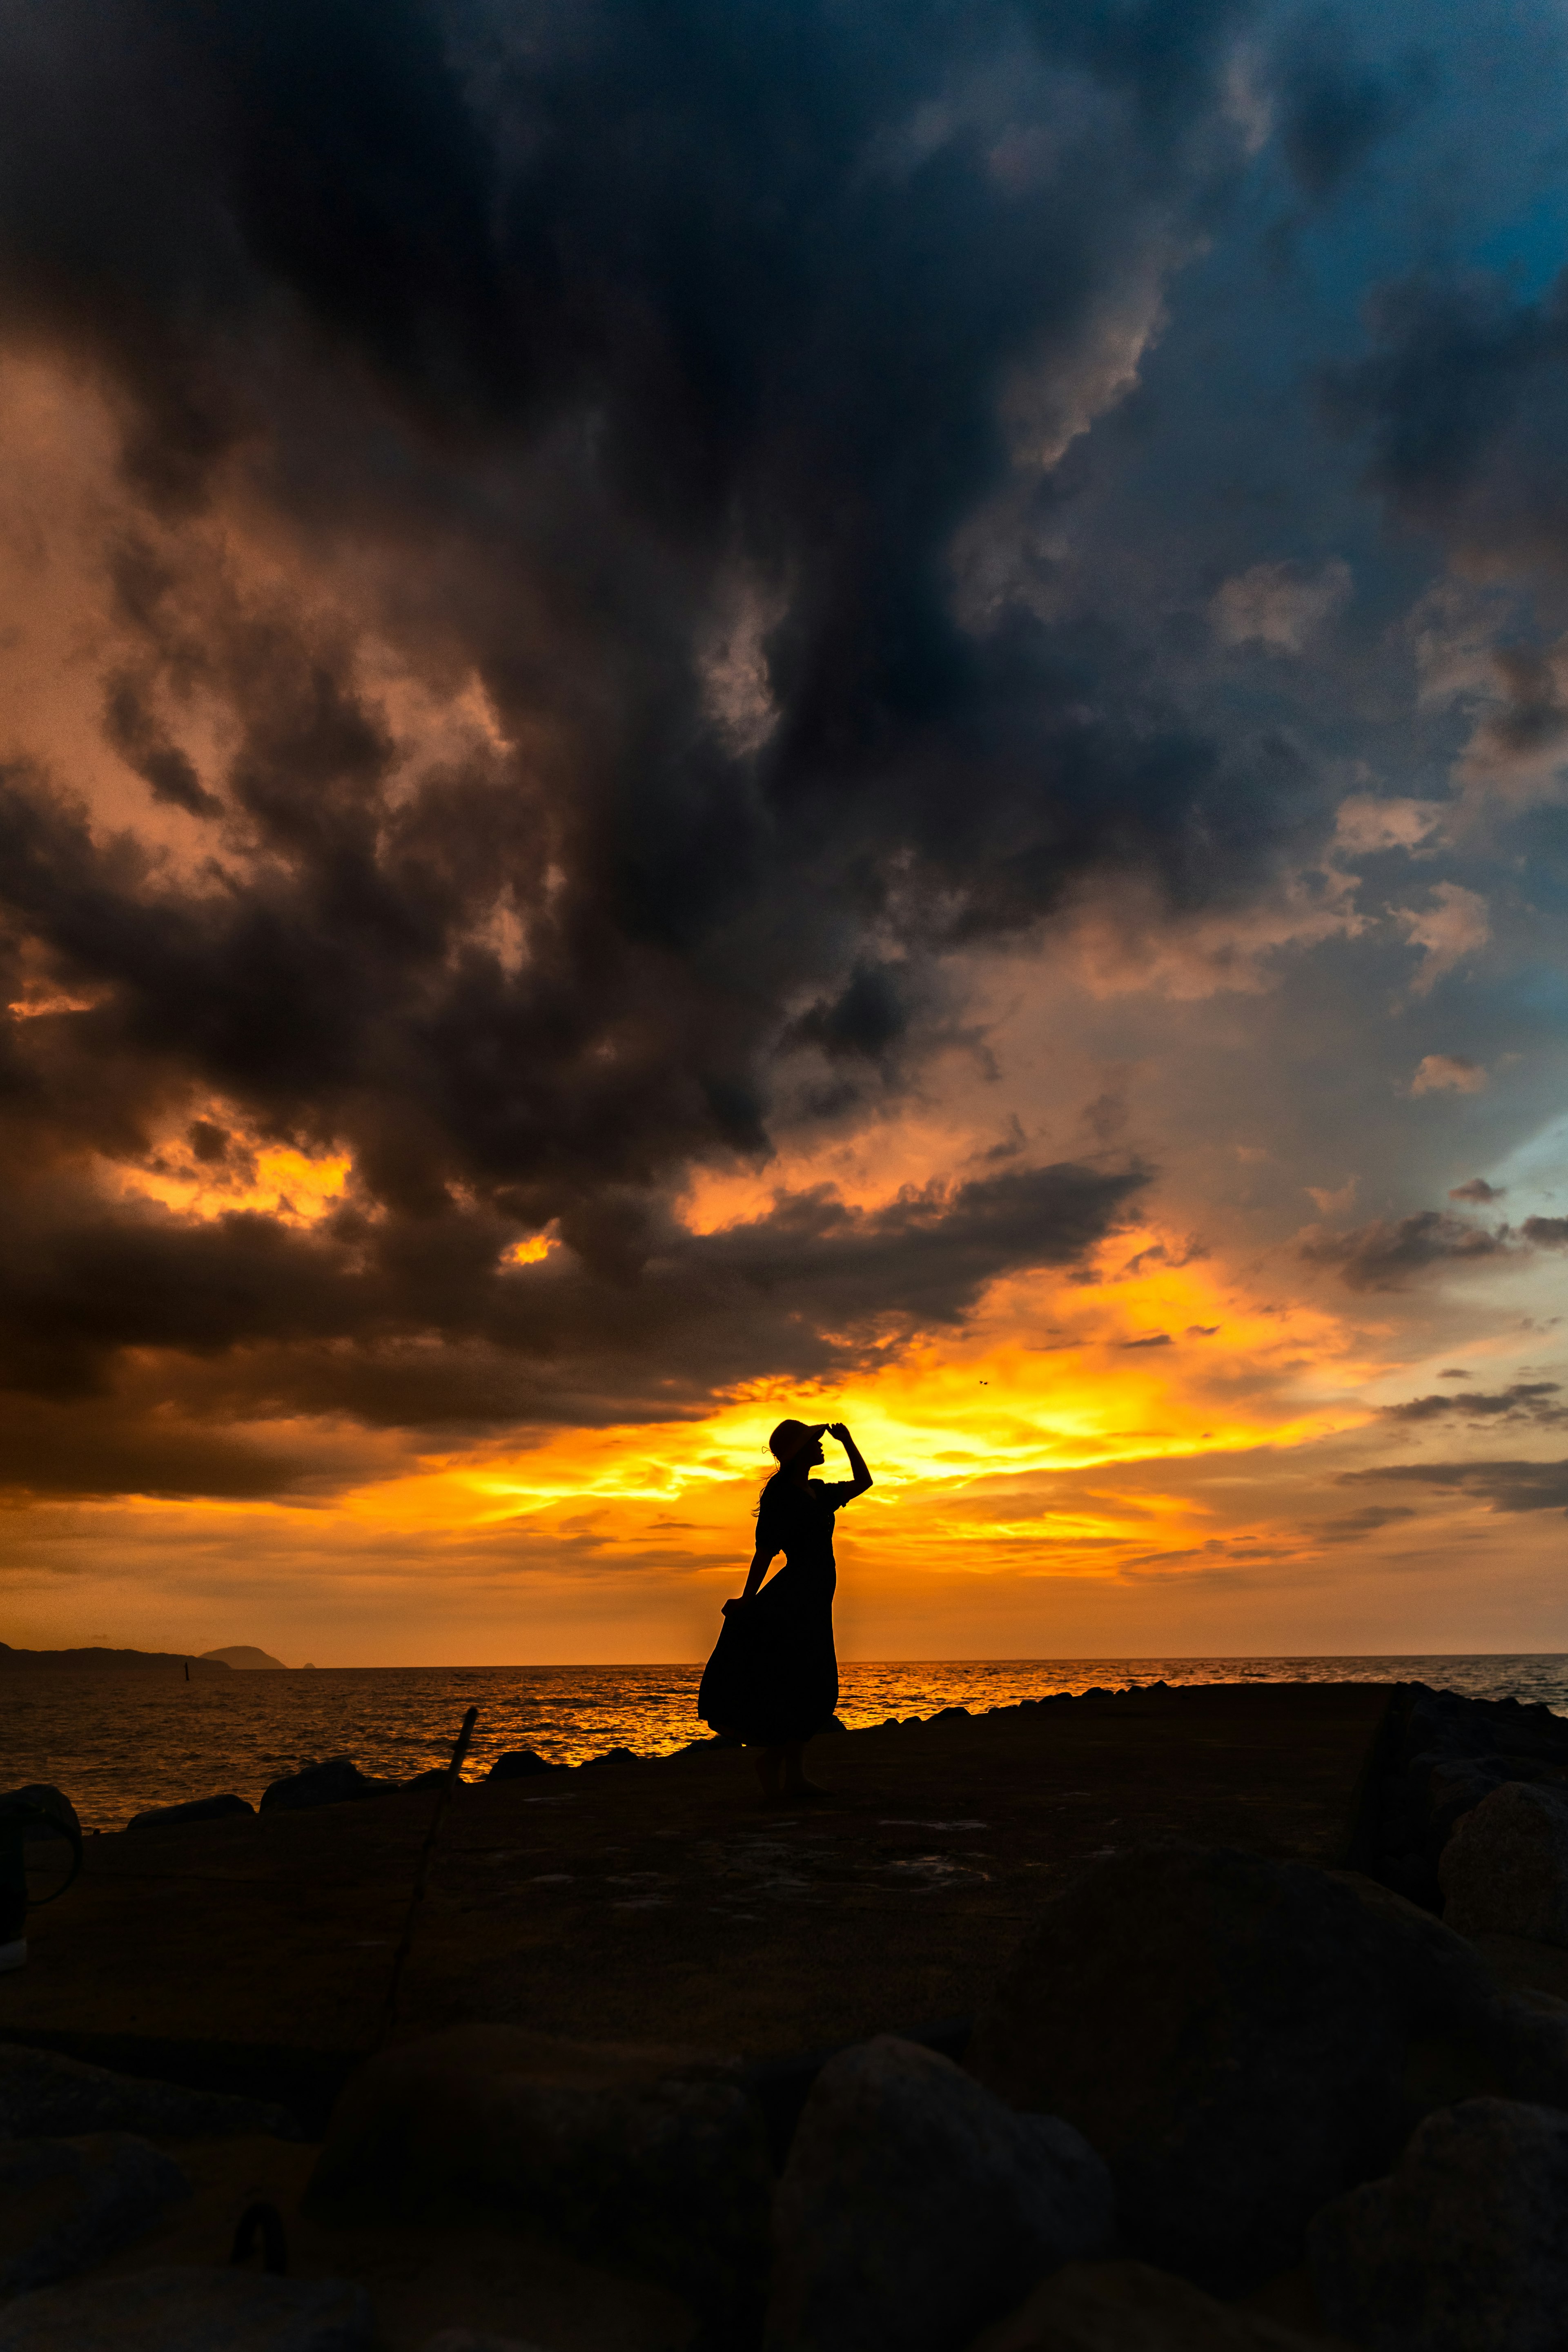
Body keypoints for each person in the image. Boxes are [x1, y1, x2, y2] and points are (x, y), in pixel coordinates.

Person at [697, 1417, 873, 1802]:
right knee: (803, 1682)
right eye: (815, 1441)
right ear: (798, 1452)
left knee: (813, 1685)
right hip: (795, 1598)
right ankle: (777, 1767)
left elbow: (864, 1483)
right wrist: (747, 1598)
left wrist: (849, 1440)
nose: (821, 1445)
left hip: (816, 1598)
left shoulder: (818, 1492)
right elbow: (765, 1551)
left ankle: (793, 1776)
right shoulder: (782, 1497)